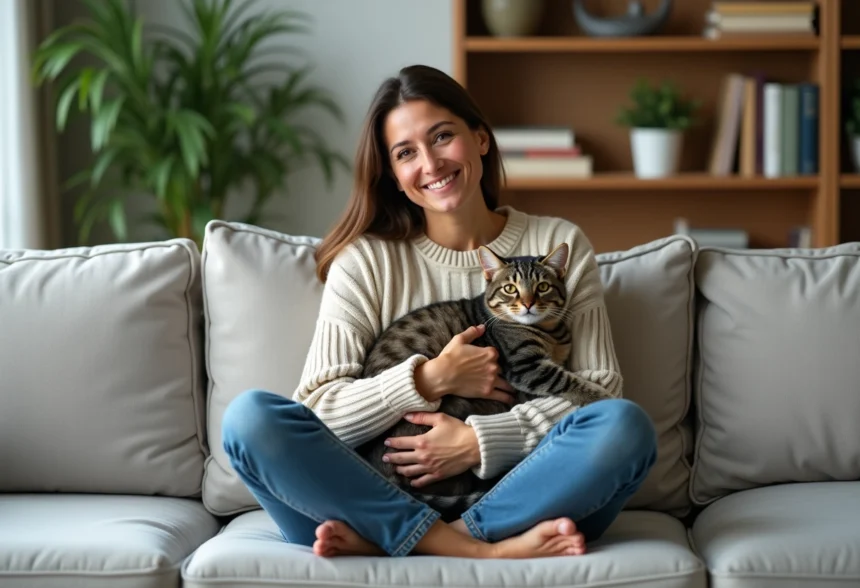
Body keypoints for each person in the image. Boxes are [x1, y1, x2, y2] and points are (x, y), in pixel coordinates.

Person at [221, 64, 657, 559]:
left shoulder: (557, 244)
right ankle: (477, 548)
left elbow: (601, 395)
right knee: (249, 420)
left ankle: (408, 538)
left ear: (480, 139)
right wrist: (428, 381)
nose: (430, 163)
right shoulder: (366, 260)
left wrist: (480, 441)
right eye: (406, 153)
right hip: (372, 491)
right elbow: (320, 414)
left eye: (442, 136)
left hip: (516, 494)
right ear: (393, 175)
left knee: (626, 428)